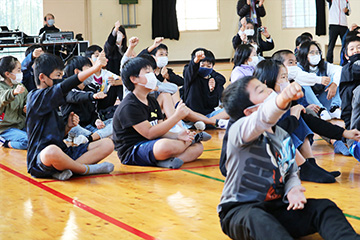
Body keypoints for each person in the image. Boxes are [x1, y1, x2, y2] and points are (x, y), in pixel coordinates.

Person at [218, 77, 360, 240]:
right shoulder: (238, 131)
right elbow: (263, 118)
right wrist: (283, 98)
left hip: (277, 208)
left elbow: (291, 171)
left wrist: (293, 189)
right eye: (260, 91)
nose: (268, 89)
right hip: (240, 212)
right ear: (249, 111)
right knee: (257, 218)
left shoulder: (282, 135)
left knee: (323, 207)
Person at [26, 52, 114, 180]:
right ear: (42, 77)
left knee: (107, 144)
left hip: (63, 153)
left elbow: (59, 137)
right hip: (41, 160)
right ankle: (85, 169)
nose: (61, 78)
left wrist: (67, 126)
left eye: (62, 75)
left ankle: (66, 170)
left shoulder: (55, 102)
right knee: (51, 151)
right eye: (58, 75)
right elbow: (66, 85)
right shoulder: (35, 96)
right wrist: (94, 69)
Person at [113, 57, 205, 169]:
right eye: (147, 72)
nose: (153, 76)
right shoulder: (129, 105)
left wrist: (177, 136)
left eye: (152, 72)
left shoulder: (152, 101)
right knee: (165, 146)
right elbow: (150, 133)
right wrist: (176, 117)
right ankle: (181, 147)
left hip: (153, 143)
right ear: (134, 79)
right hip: (133, 150)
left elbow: (161, 130)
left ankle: (164, 161)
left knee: (198, 148)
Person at [272, 49, 352, 156]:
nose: (294, 66)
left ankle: (312, 160)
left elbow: (302, 104)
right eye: (290, 63)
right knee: (303, 114)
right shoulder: (270, 96)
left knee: (306, 112)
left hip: (299, 122)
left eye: (296, 62)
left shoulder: (294, 83)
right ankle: (333, 141)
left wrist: (305, 106)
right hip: (280, 138)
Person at [62, 56, 113, 145]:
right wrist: (92, 96)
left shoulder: (91, 88)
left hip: (90, 127)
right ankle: (94, 138)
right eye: (89, 70)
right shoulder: (66, 88)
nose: (92, 73)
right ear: (77, 72)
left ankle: (89, 138)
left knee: (115, 122)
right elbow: (75, 96)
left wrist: (97, 120)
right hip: (74, 127)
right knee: (74, 128)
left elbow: (94, 111)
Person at [183, 48, 229, 129]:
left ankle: (205, 122)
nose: (205, 68)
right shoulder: (191, 77)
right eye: (202, 64)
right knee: (184, 112)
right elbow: (190, 70)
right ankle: (210, 123)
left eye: (209, 65)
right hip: (192, 115)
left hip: (208, 115)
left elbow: (213, 104)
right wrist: (196, 60)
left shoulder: (213, 80)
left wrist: (212, 91)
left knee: (230, 110)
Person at [297, 41, 342, 120]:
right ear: (304, 54)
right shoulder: (299, 67)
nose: (316, 55)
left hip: (323, 98)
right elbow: (301, 77)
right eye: (312, 52)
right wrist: (319, 80)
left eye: (318, 52)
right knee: (303, 83)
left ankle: (333, 108)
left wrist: (334, 84)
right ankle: (321, 110)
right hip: (310, 102)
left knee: (334, 79)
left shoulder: (324, 65)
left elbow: (340, 70)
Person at [85, 44, 123, 114]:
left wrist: (115, 82)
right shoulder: (87, 73)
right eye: (96, 56)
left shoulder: (106, 73)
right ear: (89, 59)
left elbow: (125, 80)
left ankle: (125, 106)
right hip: (92, 101)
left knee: (118, 84)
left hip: (105, 100)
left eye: (102, 56)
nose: (100, 59)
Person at [339, 35, 360, 159]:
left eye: (359, 47)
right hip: (353, 119)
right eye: (352, 49)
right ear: (346, 55)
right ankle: (350, 143)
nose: (356, 50)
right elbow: (347, 107)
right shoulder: (348, 69)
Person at [0, 56, 28, 149]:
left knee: (41, 137)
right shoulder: (1, 87)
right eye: (18, 70)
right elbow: (3, 98)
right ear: (7, 74)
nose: (21, 73)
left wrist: (27, 106)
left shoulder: (20, 85)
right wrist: (13, 92)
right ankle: (5, 143)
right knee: (28, 141)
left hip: (20, 126)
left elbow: (28, 99)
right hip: (5, 129)